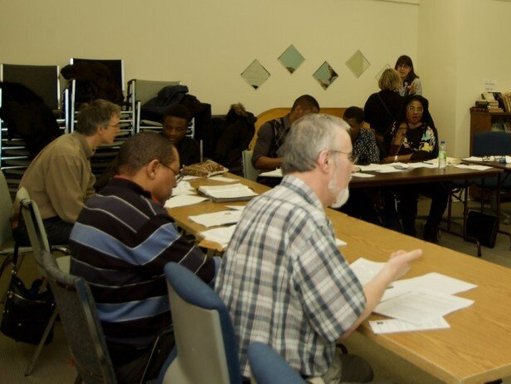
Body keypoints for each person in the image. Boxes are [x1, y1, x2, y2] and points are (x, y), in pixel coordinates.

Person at [216, 114, 422, 382]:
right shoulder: (306, 220)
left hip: (241, 363)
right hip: (285, 372)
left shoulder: (262, 202)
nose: (353, 168)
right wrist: (388, 274)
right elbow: (344, 323)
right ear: (326, 161)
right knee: (359, 368)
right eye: (349, 158)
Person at [69, 132, 219, 383]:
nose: (175, 182)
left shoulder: (100, 201)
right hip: (140, 352)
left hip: (101, 342)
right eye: (175, 172)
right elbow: (204, 272)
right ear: (153, 168)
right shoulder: (141, 216)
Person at [13, 99, 121, 245]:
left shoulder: (80, 147)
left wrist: (106, 210)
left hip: (50, 219)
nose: (119, 130)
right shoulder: (67, 154)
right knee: (108, 234)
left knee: (112, 227)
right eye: (116, 125)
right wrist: (105, 221)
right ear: (101, 128)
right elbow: (70, 211)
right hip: (36, 226)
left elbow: (88, 192)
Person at [381, 95, 451, 242]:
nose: (415, 112)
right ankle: (409, 231)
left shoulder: (427, 129)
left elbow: (422, 154)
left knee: (442, 191)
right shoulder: (397, 126)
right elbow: (385, 148)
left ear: (424, 112)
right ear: (405, 110)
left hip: (422, 175)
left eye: (419, 109)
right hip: (396, 175)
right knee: (408, 190)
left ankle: (430, 229)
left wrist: (395, 158)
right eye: (411, 108)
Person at [252, 94, 320, 171]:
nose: (312, 121)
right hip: (273, 180)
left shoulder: (309, 132)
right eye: (310, 116)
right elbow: (257, 162)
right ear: (298, 110)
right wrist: (288, 161)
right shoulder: (270, 127)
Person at [339, 107, 380, 223]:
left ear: (361, 125)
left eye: (351, 126)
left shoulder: (368, 135)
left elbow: (374, 160)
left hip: (361, 182)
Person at [363, 68, 404, 159]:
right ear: (397, 81)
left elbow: (365, 123)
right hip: (394, 142)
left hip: (376, 141)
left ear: (381, 80)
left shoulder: (373, 98)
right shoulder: (401, 101)